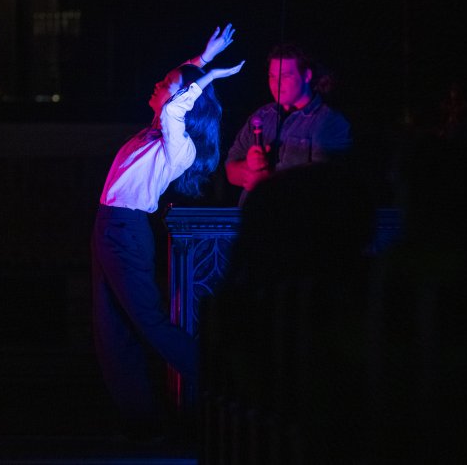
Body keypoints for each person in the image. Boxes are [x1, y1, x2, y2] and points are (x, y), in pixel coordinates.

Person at [92, 24, 244, 439]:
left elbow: (179, 105)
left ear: (181, 101)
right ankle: (141, 420)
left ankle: (224, 381)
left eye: (166, 84)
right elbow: (178, 91)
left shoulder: (181, 146)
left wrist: (207, 76)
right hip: (109, 227)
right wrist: (203, 57)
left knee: (150, 323)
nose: (159, 83)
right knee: (111, 331)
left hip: (125, 231)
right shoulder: (158, 128)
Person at [225, 42, 352, 205]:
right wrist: (248, 167)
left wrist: (267, 181)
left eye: (285, 76)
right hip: (252, 221)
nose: (276, 84)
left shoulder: (329, 122)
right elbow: (231, 171)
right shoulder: (262, 116)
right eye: (272, 76)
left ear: (307, 75)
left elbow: (326, 186)